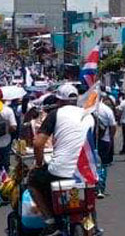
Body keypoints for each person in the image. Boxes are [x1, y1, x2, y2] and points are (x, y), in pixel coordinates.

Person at [30, 84, 96, 235]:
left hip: (60, 171)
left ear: (59, 100)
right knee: (87, 202)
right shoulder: (89, 115)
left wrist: (39, 164)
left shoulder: (55, 114)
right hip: (86, 172)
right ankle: (92, 226)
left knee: (33, 182)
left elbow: (38, 143)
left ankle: (50, 221)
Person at [96, 95, 117, 198]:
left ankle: (92, 187)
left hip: (89, 142)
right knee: (103, 164)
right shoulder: (106, 109)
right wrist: (111, 137)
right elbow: (113, 126)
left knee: (91, 164)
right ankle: (101, 188)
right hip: (104, 140)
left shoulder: (86, 108)